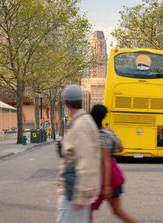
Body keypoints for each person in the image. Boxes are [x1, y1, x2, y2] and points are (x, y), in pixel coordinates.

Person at [56, 84, 101, 223]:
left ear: (65, 103)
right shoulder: (83, 122)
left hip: (74, 192)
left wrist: (81, 195)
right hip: (76, 190)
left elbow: (86, 160)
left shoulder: (81, 125)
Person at [90, 104, 138, 223]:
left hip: (106, 178)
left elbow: (105, 162)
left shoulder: (99, 136)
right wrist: (111, 149)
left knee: (87, 209)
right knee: (117, 211)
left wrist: (106, 186)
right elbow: (120, 147)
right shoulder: (109, 132)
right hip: (114, 175)